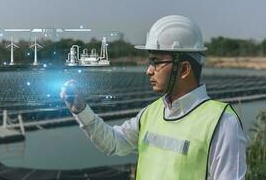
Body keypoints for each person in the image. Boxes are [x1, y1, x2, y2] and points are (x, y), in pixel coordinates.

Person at [60, 15, 247, 180]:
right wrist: (81, 110)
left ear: (183, 69)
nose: (149, 70)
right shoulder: (151, 113)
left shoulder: (222, 123)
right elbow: (114, 143)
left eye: (156, 62)